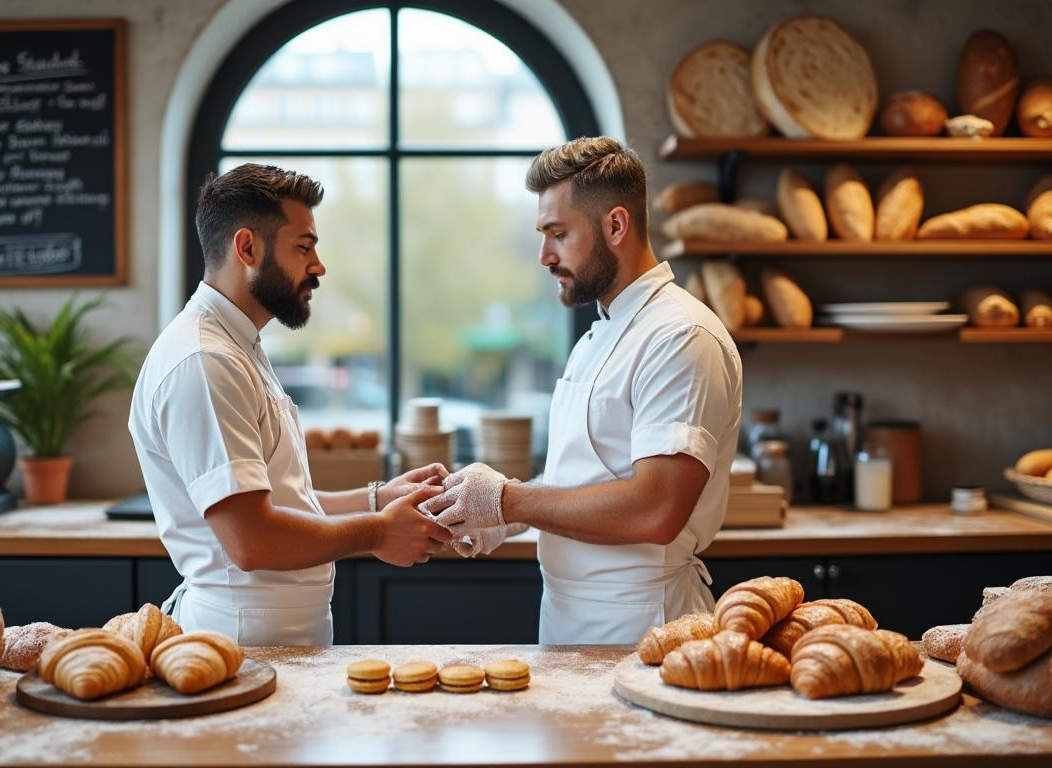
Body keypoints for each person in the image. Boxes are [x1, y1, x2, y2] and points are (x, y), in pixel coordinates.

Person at [424, 137, 744, 644]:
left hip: (643, 624)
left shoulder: (681, 336)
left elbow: (655, 509)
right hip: (568, 618)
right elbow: (581, 480)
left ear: (615, 226)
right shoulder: (600, 335)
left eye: (558, 234)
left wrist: (508, 500)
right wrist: (496, 519)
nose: (544, 256)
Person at [129, 163, 451, 646]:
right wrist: (377, 532)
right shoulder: (205, 360)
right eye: (304, 247)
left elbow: (277, 504)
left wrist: (376, 500)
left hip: (270, 631)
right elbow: (252, 540)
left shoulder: (237, 345)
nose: (318, 266)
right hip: (241, 638)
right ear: (247, 248)